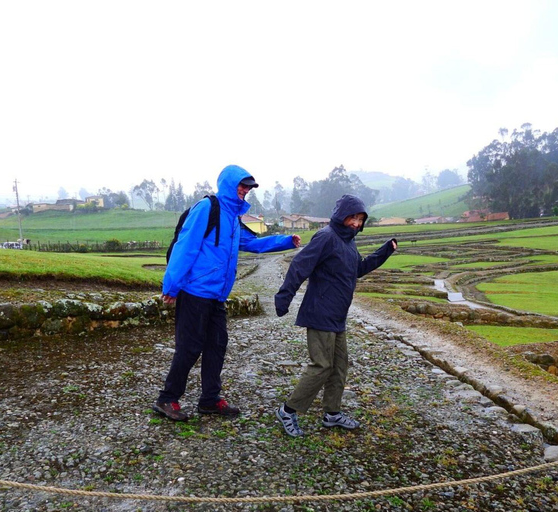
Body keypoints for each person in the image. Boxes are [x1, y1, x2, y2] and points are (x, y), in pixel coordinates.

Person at [154, 164, 301, 421]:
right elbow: (185, 246)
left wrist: (286, 241)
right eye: (242, 185)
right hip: (195, 292)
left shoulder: (233, 218)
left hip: (217, 296)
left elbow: (252, 243)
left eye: (249, 187)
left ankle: (209, 399)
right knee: (189, 348)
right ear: (229, 185)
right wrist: (172, 285)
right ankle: (167, 398)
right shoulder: (206, 209)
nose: (245, 191)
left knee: (217, 346)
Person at [274, 194, 397, 436]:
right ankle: (288, 410)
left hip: (337, 316)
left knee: (339, 366)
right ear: (342, 216)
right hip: (319, 312)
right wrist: (284, 297)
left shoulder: (348, 242)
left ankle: (332, 414)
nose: (356, 223)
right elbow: (300, 266)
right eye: (353, 217)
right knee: (321, 365)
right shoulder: (326, 237)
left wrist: (384, 252)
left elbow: (358, 269)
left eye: (360, 219)